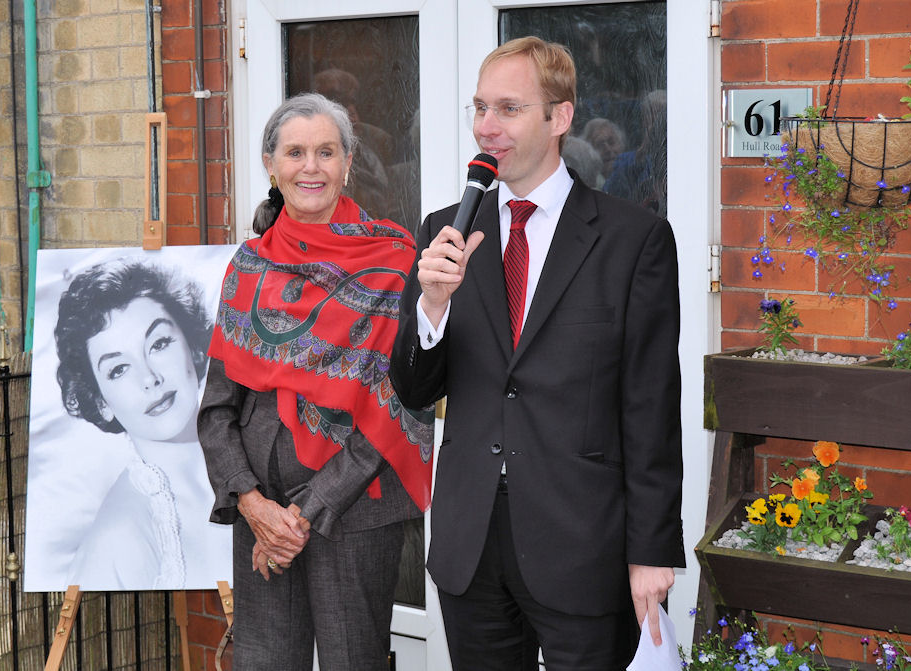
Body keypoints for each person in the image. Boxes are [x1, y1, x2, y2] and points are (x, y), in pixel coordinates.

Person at [389, 37, 684, 670]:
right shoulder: (448, 229)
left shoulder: (633, 239)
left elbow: (651, 404)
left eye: (508, 109)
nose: (486, 128)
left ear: (559, 117)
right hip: (471, 545)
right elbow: (414, 392)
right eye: (479, 108)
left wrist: (653, 550)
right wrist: (432, 305)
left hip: (584, 544)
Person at [197, 92, 433, 670]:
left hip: (357, 512)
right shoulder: (248, 265)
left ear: (348, 164)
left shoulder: (394, 260)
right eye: (296, 152)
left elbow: (401, 404)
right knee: (266, 661)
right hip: (262, 513)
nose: (311, 166)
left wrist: (303, 513)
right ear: (270, 164)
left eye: (326, 152)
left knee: (355, 660)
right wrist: (252, 504)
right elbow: (216, 410)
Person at [54, 259, 231, 589]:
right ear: (100, 402)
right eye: (118, 369)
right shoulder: (114, 542)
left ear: (192, 346)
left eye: (159, 343)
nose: (150, 378)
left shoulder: (255, 458)